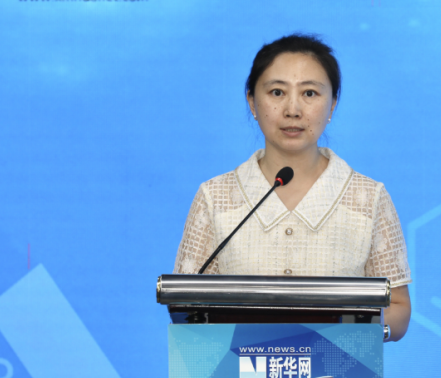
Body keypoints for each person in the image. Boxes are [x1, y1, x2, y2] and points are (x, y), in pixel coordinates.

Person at [173, 34, 412, 341]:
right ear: (252, 101)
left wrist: (356, 334)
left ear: (332, 104)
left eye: (310, 93)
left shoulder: (367, 197)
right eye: (277, 92)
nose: (293, 109)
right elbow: (185, 302)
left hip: (338, 367)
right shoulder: (216, 197)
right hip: (238, 369)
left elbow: (398, 307)